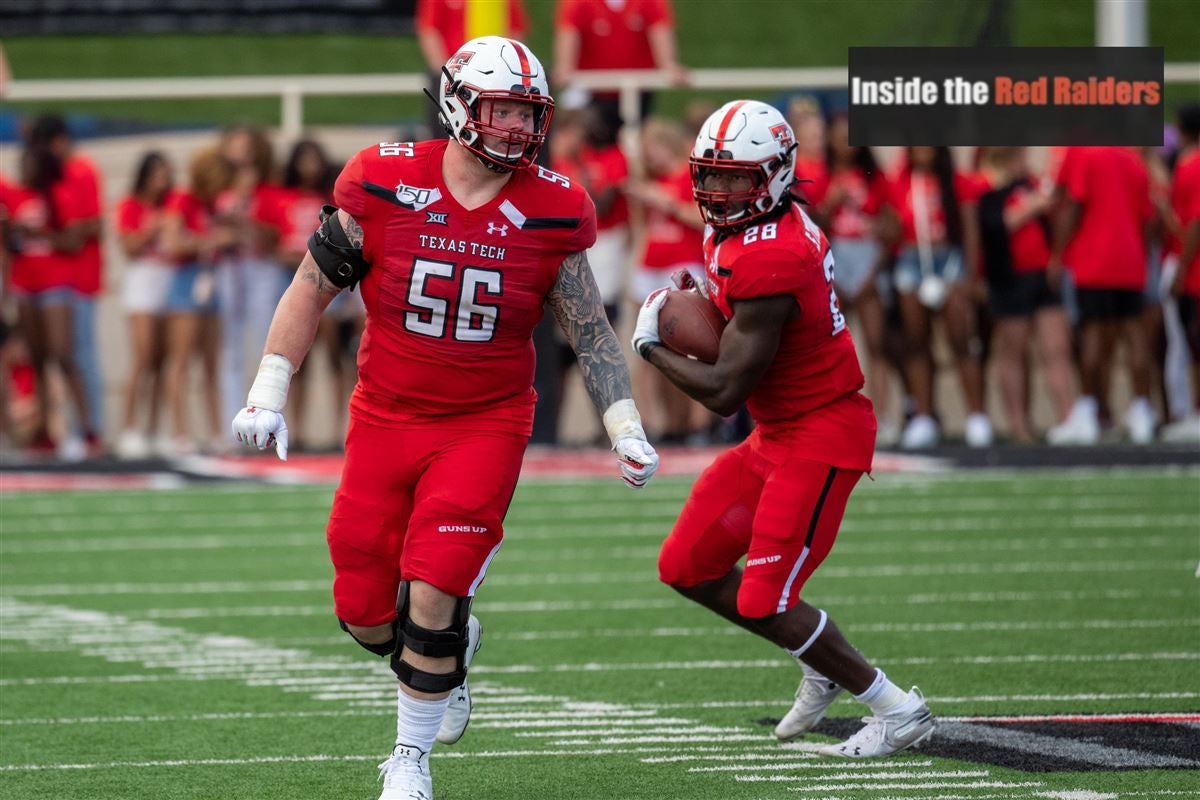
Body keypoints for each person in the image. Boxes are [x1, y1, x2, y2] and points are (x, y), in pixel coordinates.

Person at [230, 36, 658, 800]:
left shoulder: (554, 206)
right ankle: (448, 650)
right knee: (364, 610)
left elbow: (587, 326)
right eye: (502, 111)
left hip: (485, 422)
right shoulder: (386, 179)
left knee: (431, 590)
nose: (519, 130)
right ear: (458, 102)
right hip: (385, 415)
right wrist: (268, 386)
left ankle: (410, 758)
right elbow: (308, 286)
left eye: (530, 115)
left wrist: (623, 421)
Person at [633, 100, 933, 760]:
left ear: (772, 175)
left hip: (822, 433)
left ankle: (895, 707)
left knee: (766, 596)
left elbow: (724, 392)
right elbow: (742, 329)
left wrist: (653, 345)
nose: (715, 191)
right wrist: (706, 308)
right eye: (708, 175)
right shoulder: (750, 229)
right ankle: (819, 657)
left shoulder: (775, 254)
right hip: (777, 433)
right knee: (686, 565)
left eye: (734, 179)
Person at [1048, 146, 1156, 444]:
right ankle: (1142, 411)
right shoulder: (1133, 160)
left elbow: (1074, 204)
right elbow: (1147, 216)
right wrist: (1139, 256)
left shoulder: (1087, 154)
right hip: (1130, 259)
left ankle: (1087, 411)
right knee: (1134, 334)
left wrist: (1057, 254)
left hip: (1094, 260)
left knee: (1092, 333)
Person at [890, 146, 990, 449]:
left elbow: (971, 230)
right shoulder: (900, 181)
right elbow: (892, 223)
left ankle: (976, 416)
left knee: (961, 339)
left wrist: (972, 278)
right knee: (916, 342)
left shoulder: (956, 181)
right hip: (911, 260)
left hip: (949, 261)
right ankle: (924, 417)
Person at [975, 147, 1076, 443]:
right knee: (1013, 352)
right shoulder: (988, 187)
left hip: (1043, 275)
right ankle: (1019, 424)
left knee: (1056, 349)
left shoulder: (1031, 184)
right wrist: (1031, 206)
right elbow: (996, 225)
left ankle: (1068, 418)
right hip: (1010, 278)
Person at [114, 151, 176, 459]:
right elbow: (128, 246)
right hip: (142, 282)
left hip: (168, 279)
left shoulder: (174, 205)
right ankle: (128, 427)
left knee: (163, 360)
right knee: (143, 355)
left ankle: (153, 428)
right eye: (155, 174)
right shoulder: (130, 205)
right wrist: (152, 229)